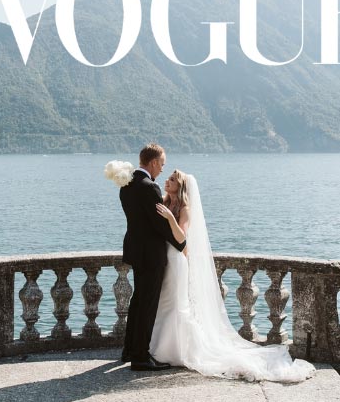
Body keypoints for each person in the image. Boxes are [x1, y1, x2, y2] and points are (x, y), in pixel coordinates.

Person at [150, 170, 315, 383]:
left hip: (177, 261)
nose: (167, 181)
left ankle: (175, 351)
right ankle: (159, 348)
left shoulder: (185, 209)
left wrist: (170, 218)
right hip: (165, 260)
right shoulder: (164, 202)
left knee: (176, 305)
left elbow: (182, 238)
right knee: (165, 303)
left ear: (180, 187)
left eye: (172, 180)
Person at [119, 143, 187, 372]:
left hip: (135, 251)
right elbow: (159, 224)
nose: (162, 170)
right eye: (162, 164)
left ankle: (129, 350)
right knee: (147, 305)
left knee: (137, 302)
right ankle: (140, 357)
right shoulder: (150, 187)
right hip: (151, 255)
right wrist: (181, 243)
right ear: (154, 162)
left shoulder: (126, 185)